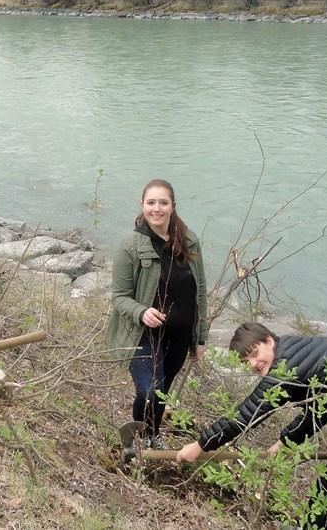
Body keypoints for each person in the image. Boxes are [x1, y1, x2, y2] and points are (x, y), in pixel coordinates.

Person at [175, 322, 327, 530]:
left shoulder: (286, 368)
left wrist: (199, 445)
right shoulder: (297, 351)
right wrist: (286, 441)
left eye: (255, 353)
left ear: (269, 341)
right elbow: (319, 409)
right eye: (246, 362)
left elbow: (246, 415)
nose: (253, 363)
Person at [105, 179, 209, 449]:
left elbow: (200, 293)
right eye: (151, 202)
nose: (157, 209)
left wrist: (199, 339)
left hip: (180, 334)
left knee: (162, 392)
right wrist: (141, 312)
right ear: (142, 205)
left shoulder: (189, 241)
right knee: (151, 390)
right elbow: (119, 297)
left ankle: (153, 434)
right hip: (143, 332)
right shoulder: (131, 245)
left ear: (173, 206)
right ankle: (136, 439)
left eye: (163, 202)